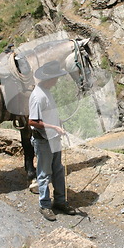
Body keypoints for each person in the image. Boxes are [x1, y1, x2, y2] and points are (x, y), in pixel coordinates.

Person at [28, 60, 76, 221]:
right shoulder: (37, 95)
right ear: (49, 78)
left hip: (53, 138)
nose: (57, 81)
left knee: (58, 170)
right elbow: (32, 121)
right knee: (43, 173)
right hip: (43, 140)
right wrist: (53, 127)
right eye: (55, 78)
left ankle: (60, 201)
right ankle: (45, 205)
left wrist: (58, 122)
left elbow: (47, 114)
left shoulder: (47, 91)